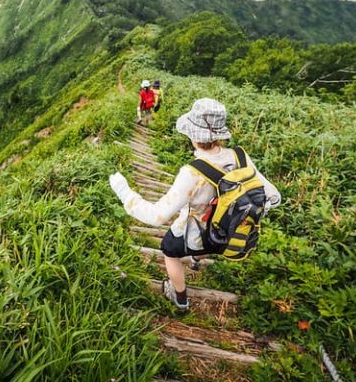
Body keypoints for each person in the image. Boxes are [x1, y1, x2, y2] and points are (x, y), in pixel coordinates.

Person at [110, 98, 281, 311]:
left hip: (196, 235)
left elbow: (157, 217)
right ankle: (195, 261)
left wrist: (124, 192)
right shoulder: (240, 157)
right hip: (227, 234)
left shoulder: (193, 173)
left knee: (169, 252)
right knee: (204, 240)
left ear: (193, 135)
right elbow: (274, 197)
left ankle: (180, 299)